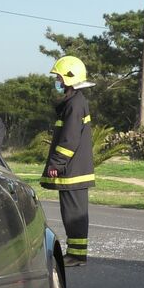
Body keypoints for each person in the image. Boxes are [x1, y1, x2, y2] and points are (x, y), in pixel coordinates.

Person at [41, 56, 95, 267]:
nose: (56, 81)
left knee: (74, 214)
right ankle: (75, 253)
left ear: (68, 78)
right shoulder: (75, 102)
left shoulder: (74, 104)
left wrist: (57, 163)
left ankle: (76, 255)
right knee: (73, 212)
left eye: (58, 77)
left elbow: (69, 139)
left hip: (73, 171)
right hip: (74, 170)